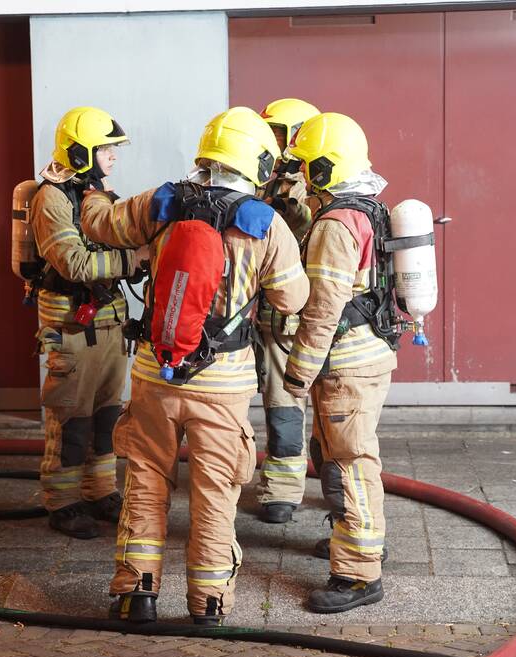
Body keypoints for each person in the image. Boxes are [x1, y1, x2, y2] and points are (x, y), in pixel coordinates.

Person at [80, 106, 309, 625]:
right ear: (256, 162)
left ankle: (136, 595)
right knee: (214, 491)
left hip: (153, 371)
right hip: (224, 385)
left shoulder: (159, 203)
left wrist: (89, 184)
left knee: (145, 479)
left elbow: (97, 224)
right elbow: (294, 299)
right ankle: (208, 605)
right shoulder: (265, 224)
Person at [283, 112, 396, 613]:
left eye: (307, 166)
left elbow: (323, 308)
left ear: (325, 168)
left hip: (345, 364)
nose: (303, 176)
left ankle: (357, 576)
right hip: (368, 354)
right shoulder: (369, 208)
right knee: (337, 457)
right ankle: (356, 545)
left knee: (350, 465)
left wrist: (298, 371)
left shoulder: (334, 224)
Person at [30, 106, 146, 539]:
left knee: (106, 416)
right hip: (71, 326)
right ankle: (62, 502)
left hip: (110, 321)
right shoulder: (52, 198)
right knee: (71, 417)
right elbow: (74, 262)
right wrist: (133, 259)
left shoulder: (97, 194)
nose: (113, 156)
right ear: (81, 151)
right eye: (106, 148)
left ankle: (101, 492)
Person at [254, 98, 320, 524]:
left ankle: (299, 490)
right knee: (276, 403)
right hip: (268, 317)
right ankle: (279, 487)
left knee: (306, 409)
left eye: (280, 133)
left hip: (306, 320)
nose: (273, 142)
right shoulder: (263, 182)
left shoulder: (317, 190)